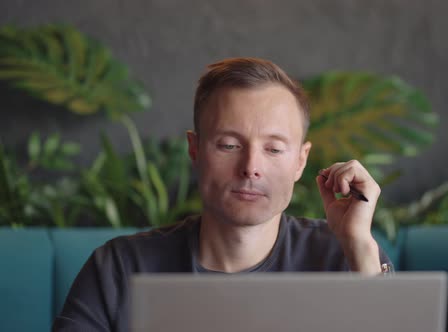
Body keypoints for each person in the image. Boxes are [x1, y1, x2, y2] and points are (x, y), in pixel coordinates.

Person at [52, 57, 392, 331]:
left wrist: (360, 248)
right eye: (229, 145)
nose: (250, 167)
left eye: (273, 149)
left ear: (301, 162)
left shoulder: (346, 259)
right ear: (195, 149)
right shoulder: (119, 268)